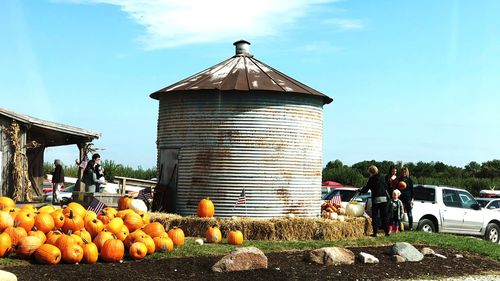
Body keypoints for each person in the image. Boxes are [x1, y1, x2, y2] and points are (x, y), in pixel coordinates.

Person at [360, 165, 390, 237]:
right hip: (384, 198)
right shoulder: (383, 177)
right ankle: (386, 232)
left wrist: (360, 190)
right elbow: (386, 187)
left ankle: (375, 232)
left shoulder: (372, 179)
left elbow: (366, 189)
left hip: (376, 198)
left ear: (371, 172)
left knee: (375, 216)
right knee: (384, 216)